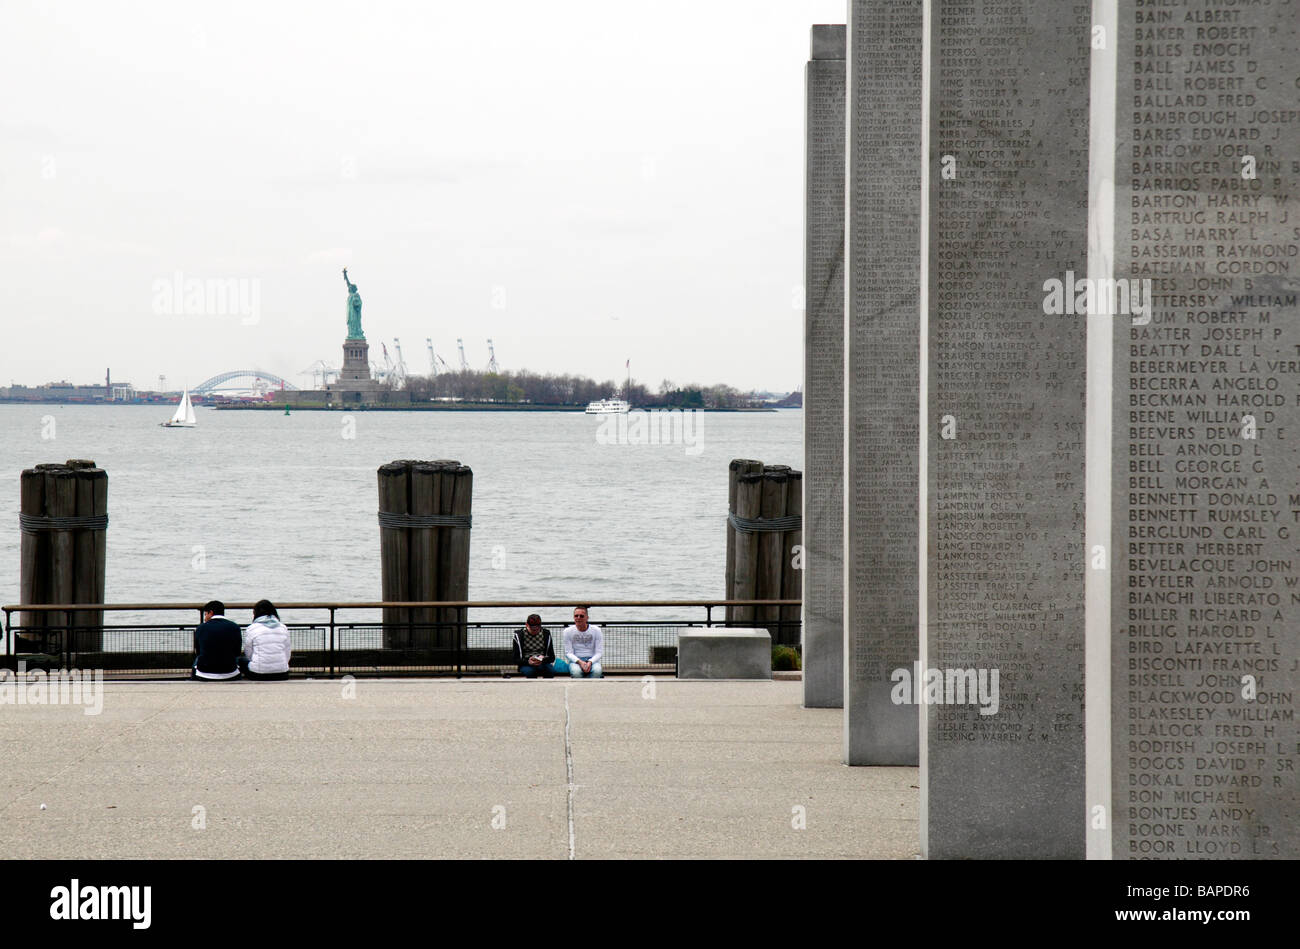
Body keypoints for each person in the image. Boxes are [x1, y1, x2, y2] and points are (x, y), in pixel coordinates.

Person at [238, 600, 291, 680]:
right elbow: (287, 652)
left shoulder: (252, 628)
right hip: (282, 673)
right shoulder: (283, 627)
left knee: (241, 660)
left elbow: (248, 652)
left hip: (258, 674)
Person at [192, 600, 242, 681]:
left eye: (205, 614)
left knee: (198, 659)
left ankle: (193, 679)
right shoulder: (235, 627)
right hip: (230, 673)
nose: (205, 618)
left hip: (205, 673)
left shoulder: (201, 628)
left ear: (211, 612)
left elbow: (198, 652)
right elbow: (237, 652)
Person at [562, 606, 603, 679]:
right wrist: (580, 662)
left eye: (581, 616)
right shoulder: (567, 631)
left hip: (592, 660)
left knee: (597, 671)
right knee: (576, 672)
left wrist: (590, 662)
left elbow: (599, 652)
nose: (578, 618)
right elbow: (568, 653)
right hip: (575, 660)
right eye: (576, 616)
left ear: (587, 618)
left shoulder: (597, 630)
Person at [511, 614, 556, 678]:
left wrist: (542, 659)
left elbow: (552, 657)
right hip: (525, 664)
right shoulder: (519, 636)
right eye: (532, 629)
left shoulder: (546, 634)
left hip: (542, 663)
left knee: (551, 671)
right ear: (526, 625)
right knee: (531, 672)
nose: (535, 632)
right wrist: (528, 662)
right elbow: (515, 659)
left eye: (537, 629)